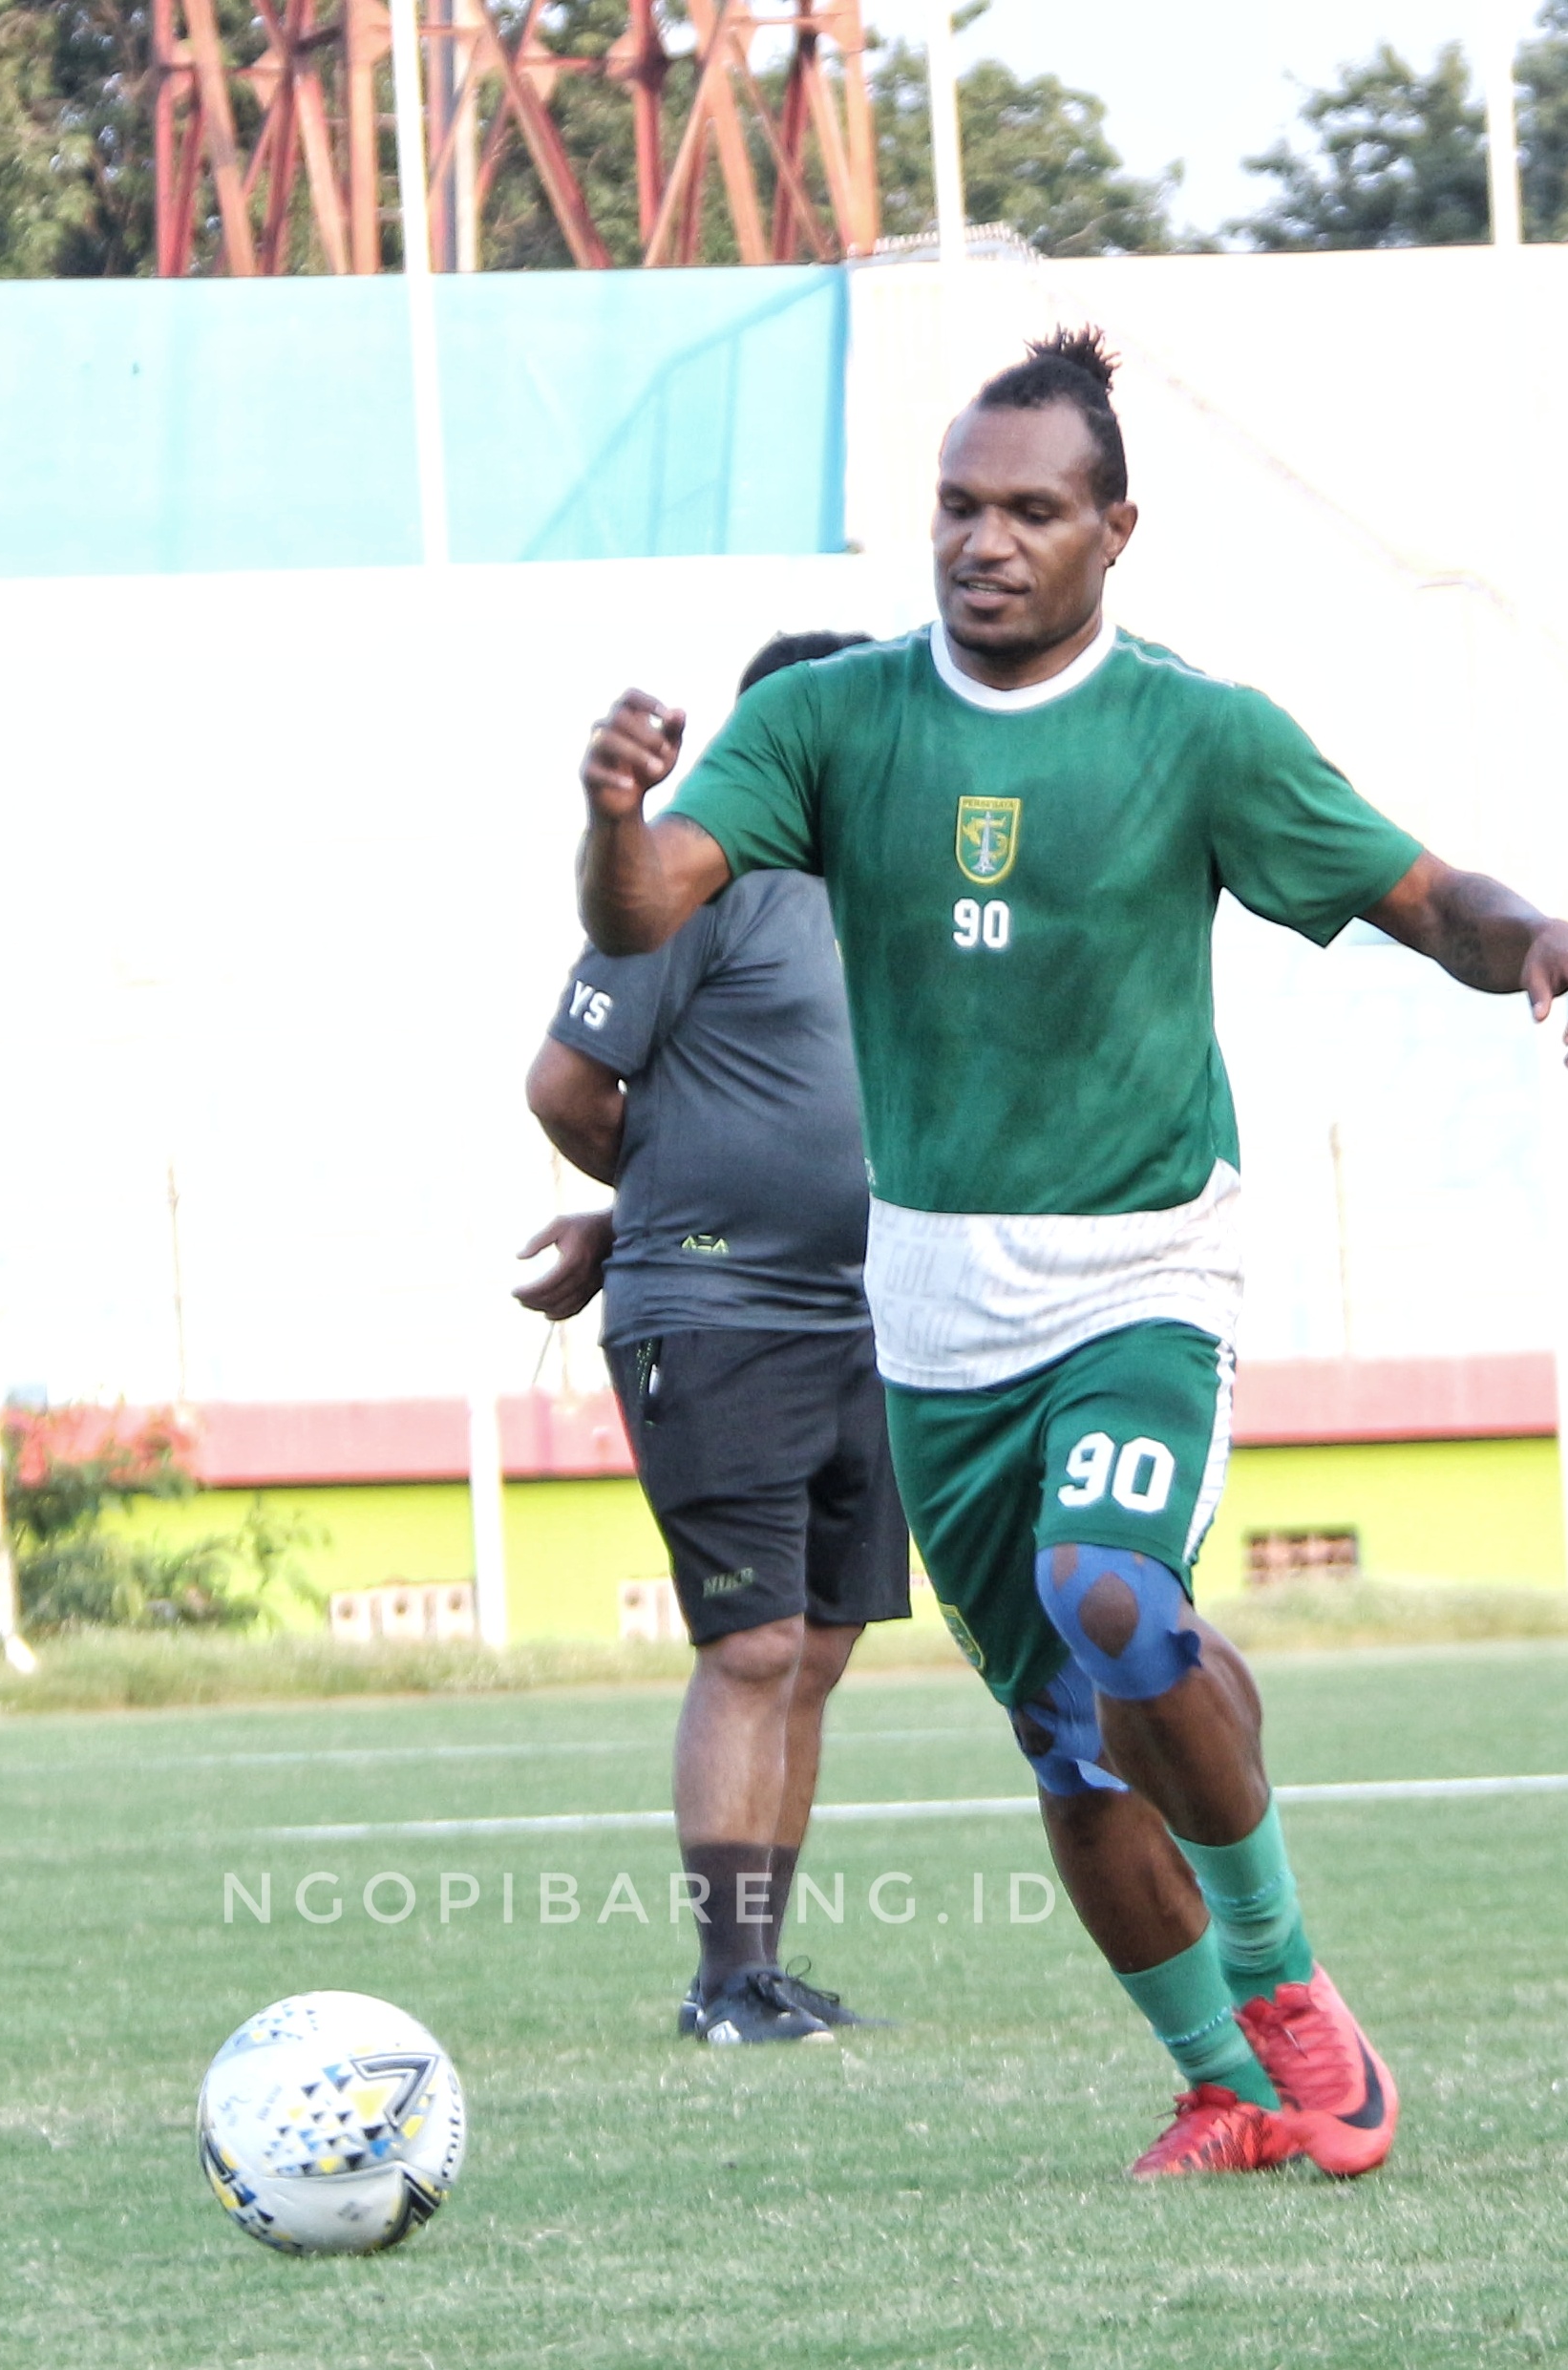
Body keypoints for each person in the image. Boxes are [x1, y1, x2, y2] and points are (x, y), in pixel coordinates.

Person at [563, 329, 1568, 2176]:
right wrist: (610, 825)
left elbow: (1421, 895)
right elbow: (652, 903)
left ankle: (1290, 1986)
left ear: (1113, 528)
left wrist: (1539, 930)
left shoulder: (1193, 734)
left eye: (1030, 509)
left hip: (1144, 1273)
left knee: (1113, 1592)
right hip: (931, 1312)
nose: (984, 540)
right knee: (1067, 1746)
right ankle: (1221, 2082)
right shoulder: (832, 721)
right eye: (958, 505)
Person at [517, 629, 912, 2048]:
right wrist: (650, 1213)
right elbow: (566, 1083)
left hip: (871, 1324)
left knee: (814, 1647)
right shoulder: (695, 884)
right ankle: (721, 1979)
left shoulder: (909, 894)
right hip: (720, 1314)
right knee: (749, 1645)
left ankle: (762, 1965)